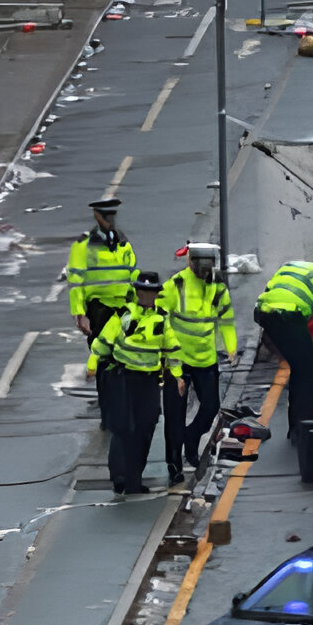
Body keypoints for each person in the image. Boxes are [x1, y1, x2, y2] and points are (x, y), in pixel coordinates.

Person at [256, 246, 313, 477]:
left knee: (301, 370)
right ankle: (303, 426)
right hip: (288, 317)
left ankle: (296, 425)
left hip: (265, 313)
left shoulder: (293, 266)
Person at [87, 271, 173, 495]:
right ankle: (120, 477)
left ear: (156, 294)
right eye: (143, 292)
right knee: (123, 428)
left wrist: (179, 373)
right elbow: (102, 344)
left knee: (145, 429)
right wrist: (93, 365)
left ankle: (134, 479)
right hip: (124, 379)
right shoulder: (123, 316)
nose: (147, 296)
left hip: (149, 382)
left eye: (151, 292)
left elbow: (171, 349)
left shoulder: (162, 319)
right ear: (137, 293)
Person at [162, 242, 238, 486]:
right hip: (178, 361)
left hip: (205, 358)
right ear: (191, 263)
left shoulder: (217, 287)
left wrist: (231, 347)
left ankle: (191, 437)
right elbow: (159, 319)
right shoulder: (176, 285)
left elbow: (226, 320)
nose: (204, 272)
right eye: (200, 267)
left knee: (211, 406)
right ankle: (174, 464)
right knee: (174, 415)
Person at [67, 198, 138, 429]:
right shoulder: (84, 245)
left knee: (124, 359)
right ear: (97, 217)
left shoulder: (123, 243)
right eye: (106, 216)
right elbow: (76, 281)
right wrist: (80, 314)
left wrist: (139, 307)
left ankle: (122, 408)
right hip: (99, 310)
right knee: (104, 361)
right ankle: (108, 413)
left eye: (112, 216)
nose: (110, 220)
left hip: (123, 309)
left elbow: (133, 274)